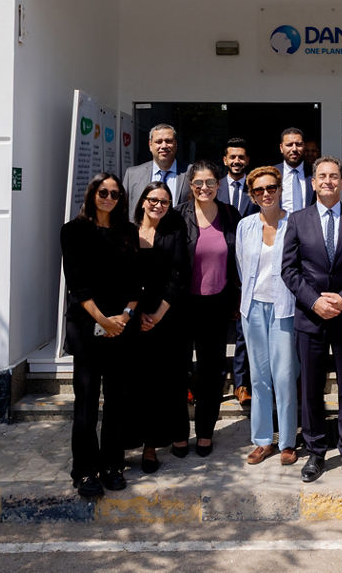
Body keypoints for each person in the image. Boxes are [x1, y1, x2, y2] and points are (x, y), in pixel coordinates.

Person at [282, 156, 342, 484]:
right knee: (311, 387)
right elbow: (289, 270)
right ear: (313, 182)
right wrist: (314, 301)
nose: (328, 181)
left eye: (334, 176)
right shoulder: (298, 220)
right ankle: (316, 451)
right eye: (322, 176)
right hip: (311, 317)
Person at [60, 173, 140, 499]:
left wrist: (125, 316)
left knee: (117, 401)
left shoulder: (128, 232)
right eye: (103, 192)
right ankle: (84, 470)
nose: (108, 198)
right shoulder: (73, 231)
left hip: (120, 327)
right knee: (87, 403)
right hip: (87, 328)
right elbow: (77, 284)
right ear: (92, 194)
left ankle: (112, 465)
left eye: (115, 194)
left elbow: (135, 283)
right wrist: (103, 321)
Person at [176, 159, 242, 457]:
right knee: (178, 371)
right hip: (181, 305)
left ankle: (205, 432)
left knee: (211, 372)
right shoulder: (179, 215)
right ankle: (179, 433)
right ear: (191, 185)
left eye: (210, 182)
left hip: (217, 305)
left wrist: (237, 299)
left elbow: (239, 260)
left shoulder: (230, 214)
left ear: (219, 184)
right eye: (198, 183)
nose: (205, 188)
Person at [235, 166, 298, 466]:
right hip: (253, 309)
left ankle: (287, 441)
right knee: (259, 377)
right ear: (252, 195)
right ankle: (262, 440)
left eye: (271, 187)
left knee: (284, 376)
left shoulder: (293, 223)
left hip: (284, 308)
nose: (266, 194)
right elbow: (241, 266)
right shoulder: (245, 226)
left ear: (280, 189)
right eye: (259, 190)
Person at [133, 180, 191, 468]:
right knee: (140, 383)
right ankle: (142, 443)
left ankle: (165, 440)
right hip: (133, 316)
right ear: (143, 201)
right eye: (153, 200)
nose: (158, 205)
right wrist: (134, 313)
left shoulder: (174, 233)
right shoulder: (128, 233)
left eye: (164, 202)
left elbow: (178, 275)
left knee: (169, 380)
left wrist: (157, 315)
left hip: (168, 315)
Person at [217, 137, 256, 415]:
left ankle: (242, 383)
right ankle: (217, 379)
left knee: (244, 329)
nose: (237, 161)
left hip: (247, 267)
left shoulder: (256, 188)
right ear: (225, 160)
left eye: (241, 157)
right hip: (219, 266)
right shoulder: (214, 187)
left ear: (247, 160)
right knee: (217, 330)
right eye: (232, 157)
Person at [124, 123, 186, 208]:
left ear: (176, 144)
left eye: (168, 141)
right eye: (158, 142)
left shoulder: (191, 173)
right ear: (150, 145)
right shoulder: (132, 175)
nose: (164, 146)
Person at [278, 127, 315, 214]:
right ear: (281, 148)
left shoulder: (315, 173)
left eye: (298, 144)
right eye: (289, 145)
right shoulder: (272, 174)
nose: (294, 149)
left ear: (304, 146)